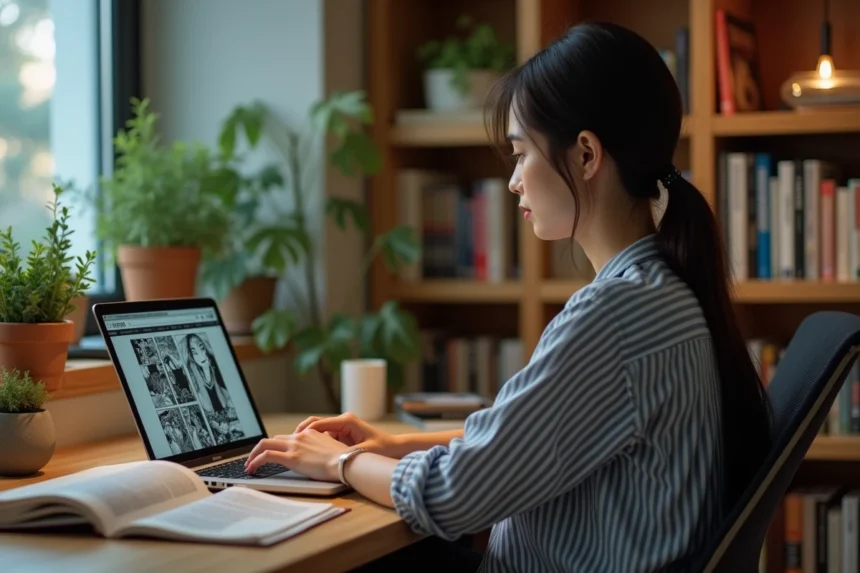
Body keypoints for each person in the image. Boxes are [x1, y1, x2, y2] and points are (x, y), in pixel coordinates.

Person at [245, 21, 773, 572]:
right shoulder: (661, 289)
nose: (514, 180)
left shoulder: (616, 313)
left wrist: (342, 463)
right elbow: (519, 442)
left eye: (521, 154)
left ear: (587, 155)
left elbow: (452, 497)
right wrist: (390, 446)